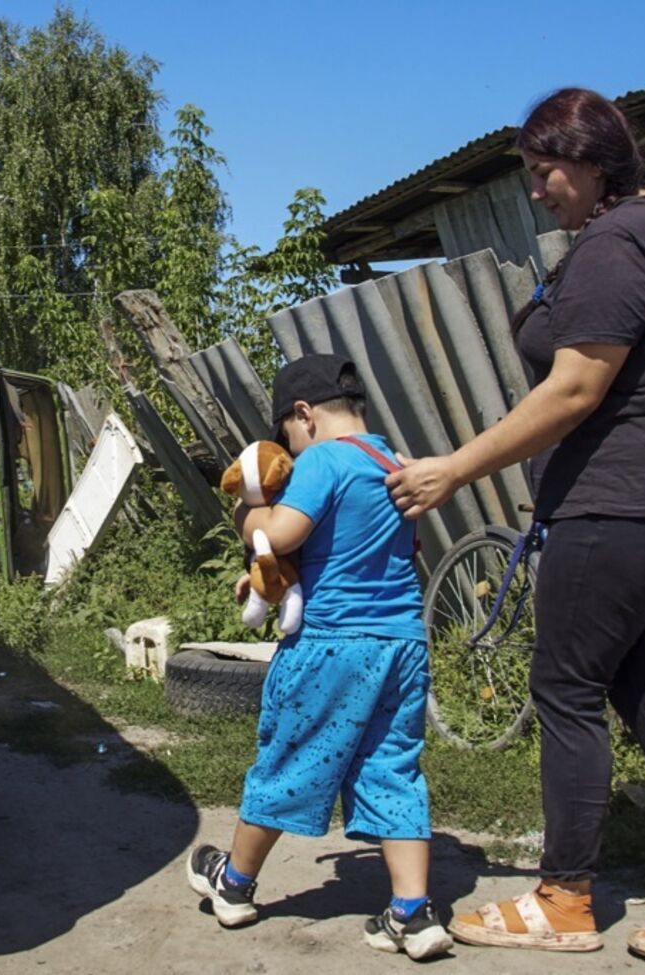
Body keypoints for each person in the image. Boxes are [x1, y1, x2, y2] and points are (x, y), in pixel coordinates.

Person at [384, 88, 645, 960]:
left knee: (565, 691)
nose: (536, 187)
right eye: (530, 171)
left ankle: (564, 896)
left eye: (545, 168)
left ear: (594, 156)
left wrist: (456, 467)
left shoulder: (616, 243)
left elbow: (573, 388)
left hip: (623, 504)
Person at [186, 353, 453, 962]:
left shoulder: (324, 460)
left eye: (287, 436)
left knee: (289, 759)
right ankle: (412, 914)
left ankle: (234, 883)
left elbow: (278, 536)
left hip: (332, 644)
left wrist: (244, 511)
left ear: (303, 415)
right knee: (394, 768)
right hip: (402, 644)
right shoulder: (395, 462)